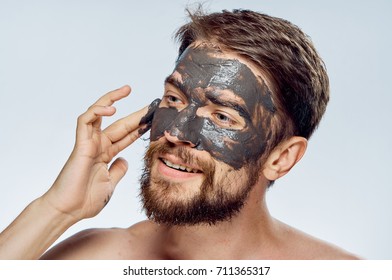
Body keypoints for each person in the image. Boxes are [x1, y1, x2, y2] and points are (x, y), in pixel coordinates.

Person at [0, 8, 359, 260]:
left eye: (221, 116)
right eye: (174, 98)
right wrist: (57, 209)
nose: (174, 131)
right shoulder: (99, 259)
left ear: (281, 158)